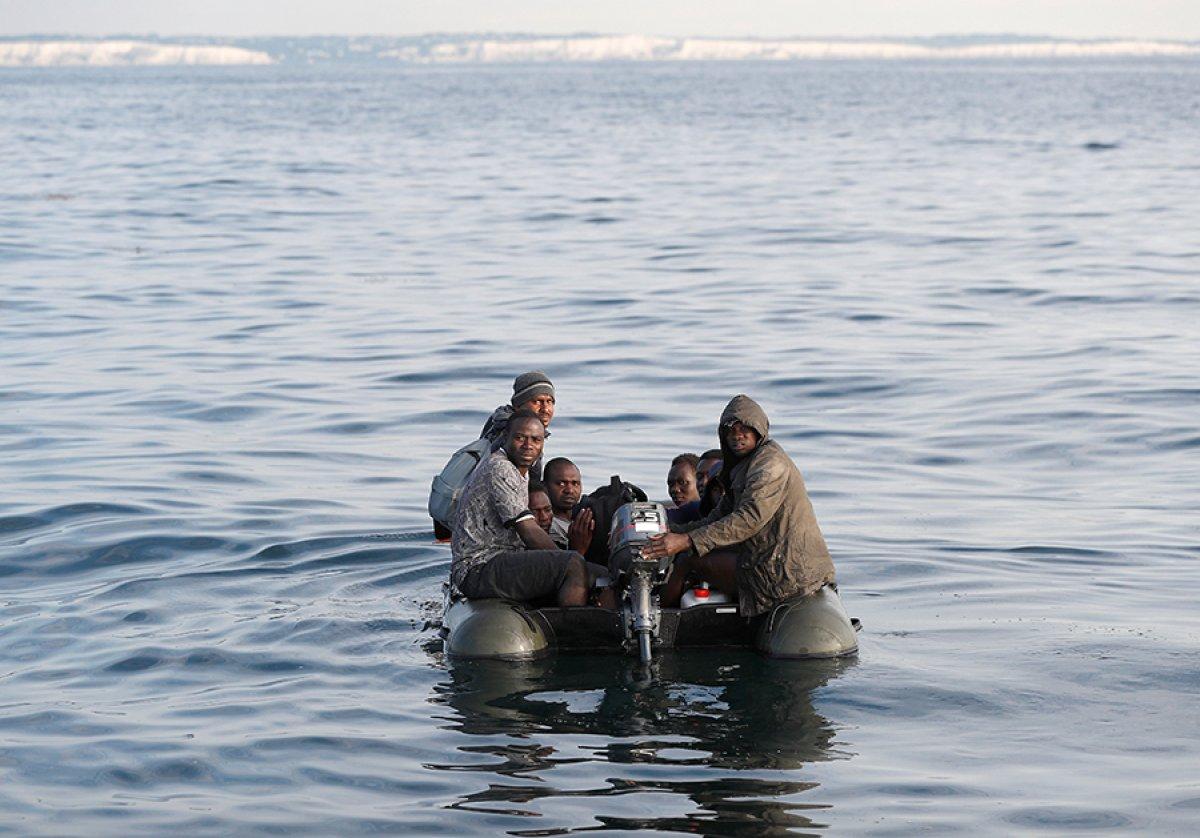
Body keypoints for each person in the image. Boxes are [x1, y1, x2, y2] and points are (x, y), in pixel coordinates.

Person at [643, 395, 837, 617]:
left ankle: (662, 619)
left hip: (784, 571)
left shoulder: (769, 464)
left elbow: (749, 518)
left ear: (759, 430)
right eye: (730, 430)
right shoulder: (741, 468)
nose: (737, 436)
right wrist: (670, 532)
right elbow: (718, 517)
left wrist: (686, 541)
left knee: (688, 561)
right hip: (768, 559)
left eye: (744, 428)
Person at [451, 410, 611, 607]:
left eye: (536, 439)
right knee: (572, 563)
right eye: (520, 438)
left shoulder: (521, 473)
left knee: (603, 574)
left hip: (503, 560)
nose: (528, 446)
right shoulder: (500, 468)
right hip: (478, 567)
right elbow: (527, 529)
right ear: (505, 438)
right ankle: (573, 628)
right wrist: (566, 560)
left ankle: (608, 625)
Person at [479, 371, 557, 481]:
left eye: (549, 402)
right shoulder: (510, 433)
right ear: (518, 406)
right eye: (537, 402)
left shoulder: (499, 422)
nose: (545, 409)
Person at [543, 456, 594, 553]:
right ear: (545, 486)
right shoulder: (547, 524)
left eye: (575, 483)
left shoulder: (583, 515)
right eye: (561, 484)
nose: (570, 490)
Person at [666, 452, 703, 524]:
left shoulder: (710, 512)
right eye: (670, 484)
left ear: (700, 482)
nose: (674, 489)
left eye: (683, 482)